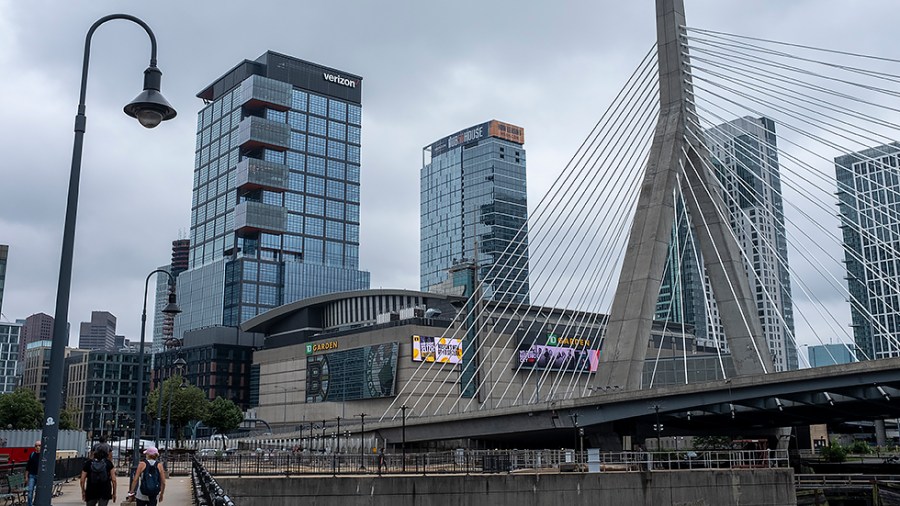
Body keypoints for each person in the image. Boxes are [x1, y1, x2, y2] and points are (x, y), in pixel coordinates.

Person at [24, 440, 40, 506]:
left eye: (39, 445)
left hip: (40, 476)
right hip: (32, 475)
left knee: (38, 491)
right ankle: (30, 504)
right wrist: (26, 477)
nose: (37, 447)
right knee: (30, 491)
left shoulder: (43, 455)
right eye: (36, 446)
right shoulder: (32, 454)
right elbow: (28, 466)